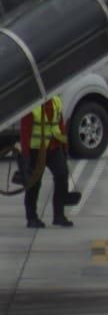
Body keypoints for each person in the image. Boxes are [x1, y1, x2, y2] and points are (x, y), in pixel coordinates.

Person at [20, 94, 72, 229]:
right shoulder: (32, 105)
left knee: (62, 175)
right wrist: (25, 156)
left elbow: (60, 125)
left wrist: (65, 147)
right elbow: (25, 131)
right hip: (36, 150)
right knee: (34, 183)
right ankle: (31, 217)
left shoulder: (56, 101)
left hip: (54, 147)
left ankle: (59, 215)